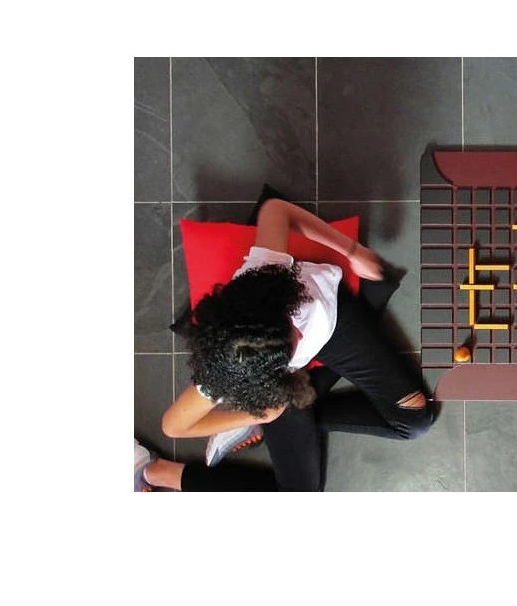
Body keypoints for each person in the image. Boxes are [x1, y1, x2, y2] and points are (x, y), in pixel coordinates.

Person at [141, 197, 435, 491]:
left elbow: (275, 209)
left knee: (415, 421)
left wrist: (352, 250)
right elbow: (173, 426)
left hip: (334, 320)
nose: (301, 335)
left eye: (289, 325)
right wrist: (256, 414)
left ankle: (279, 425)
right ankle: (170, 474)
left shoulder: (264, 271)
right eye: (291, 343)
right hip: (279, 390)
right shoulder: (227, 372)